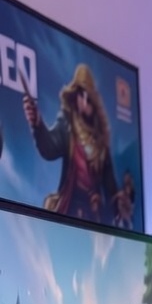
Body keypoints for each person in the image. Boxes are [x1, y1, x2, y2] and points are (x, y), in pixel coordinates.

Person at [22, 63, 134, 227]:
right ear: (75, 96)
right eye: (80, 94)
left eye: (87, 95)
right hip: (71, 208)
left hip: (94, 214)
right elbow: (49, 148)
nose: (84, 100)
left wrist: (119, 201)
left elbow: (109, 184)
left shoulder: (100, 140)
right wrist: (37, 123)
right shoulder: (68, 123)